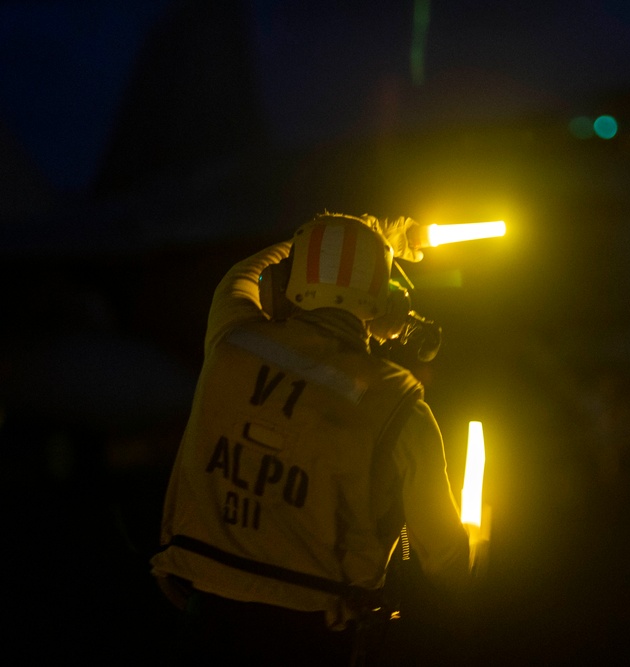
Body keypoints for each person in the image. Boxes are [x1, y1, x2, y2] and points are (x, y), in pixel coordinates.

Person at [150, 213, 470, 665]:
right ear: (388, 311)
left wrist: (352, 235)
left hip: (206, 620)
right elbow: (446, 557)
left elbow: (242, 274)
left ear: (285, 282)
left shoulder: (233, 337)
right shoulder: (396, 402)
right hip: (313, 638)